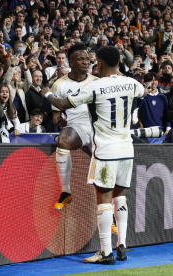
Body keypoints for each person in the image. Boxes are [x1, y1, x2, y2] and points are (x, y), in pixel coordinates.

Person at [41, 46, 146, 264]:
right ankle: (122, 246)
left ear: (98, 62)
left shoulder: (95, 87)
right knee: (121, 196)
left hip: (106, 150)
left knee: (104, 201)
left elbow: (61, 104)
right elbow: (141, 91)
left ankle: (105, 253)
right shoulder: (132, 83)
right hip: (127, 149)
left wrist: (47, 93)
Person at [49, 42, 99, 210]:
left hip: (97, 127)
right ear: (70, 62)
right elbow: (56, 115)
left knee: (105, 157)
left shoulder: (97, 82)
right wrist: (59, 121)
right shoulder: (59, 85)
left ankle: (109, 208)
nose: (86, 62)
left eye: (87, 59)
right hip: (77, 126)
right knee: (63, 140)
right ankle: (66, 192)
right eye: (81, 59)